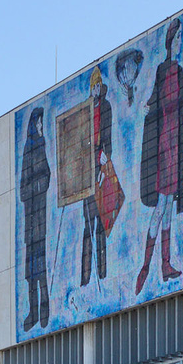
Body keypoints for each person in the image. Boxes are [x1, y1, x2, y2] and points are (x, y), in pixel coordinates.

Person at [136, 16, 183, 295]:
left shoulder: (180, 72)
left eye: (182, 38)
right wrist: (147, 107)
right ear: (171, 41)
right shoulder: (162, 70)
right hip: (161, 148)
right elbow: (155, 101)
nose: (181, 42)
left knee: (168, 208)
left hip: (173, 146)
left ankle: (165, 266)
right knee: (161, 207)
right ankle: (147, 265)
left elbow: (180, 114)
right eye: (178, 38)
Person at [80, 66, 113, 287]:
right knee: (87, 224)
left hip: (101, 165)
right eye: (94, 86)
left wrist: (106, 155)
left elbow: (108, 133)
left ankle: (102, 273)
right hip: (86, 170)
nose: (96, 89)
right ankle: (85, 276)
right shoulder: (85, 112)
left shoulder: (106, 107)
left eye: (99, 86)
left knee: (101, 222)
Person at [19, 106, 51, 331]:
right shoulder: (28, 150)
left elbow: (47, 176)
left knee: (41, 269)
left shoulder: (42, 146)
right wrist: (34, 187)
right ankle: (33, 311)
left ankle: (45, 309)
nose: (41, 126)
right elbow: (22, 189)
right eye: (39, 123)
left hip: (40, 218)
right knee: (30, 272)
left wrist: (39, 186)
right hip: (31, 223)